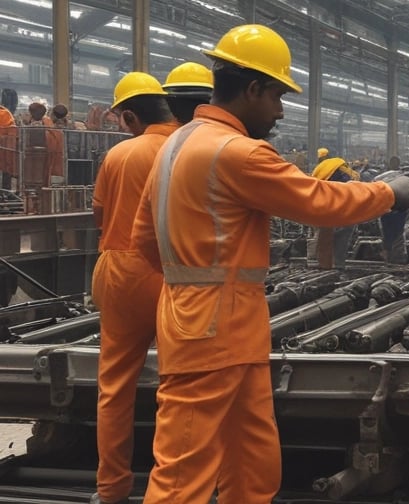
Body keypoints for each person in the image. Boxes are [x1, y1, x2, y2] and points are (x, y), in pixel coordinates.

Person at [130, 24, 409, 503]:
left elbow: (144, 240)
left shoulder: (177, 145)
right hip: (213, 326)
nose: (281, 111)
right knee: (185, 469)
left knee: (252, 454)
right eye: (278, 96)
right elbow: (319, 200)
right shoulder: (236, 152)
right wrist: (389, 193)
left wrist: (195, 277)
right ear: (253, 89)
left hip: (218, 321)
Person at [89, 72, 177, 504]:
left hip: (122, 271)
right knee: (180, 387)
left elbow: (100, 218)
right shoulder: (190, 148)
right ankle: (175, 488)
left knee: (115, 389)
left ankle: (112, 490)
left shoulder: (120, 154)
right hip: (179, 275)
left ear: (128, 116)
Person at [311, 148, 361, 269]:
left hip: (327, 207)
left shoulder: (318, 169)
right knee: (342, 237)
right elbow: (354, 179)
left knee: (324, 237)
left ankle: (324, 265)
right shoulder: (339, 163)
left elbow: (314, 188)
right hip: (346, 205)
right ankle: (338, 264)